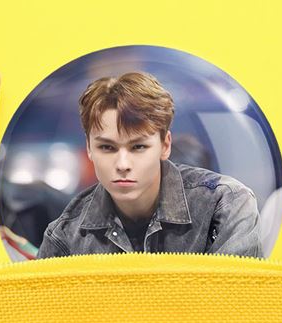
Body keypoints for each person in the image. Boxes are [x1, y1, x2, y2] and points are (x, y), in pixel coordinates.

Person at [36, 72, 261, 258]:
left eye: (138, 147)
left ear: (165, 145)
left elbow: (235, 298)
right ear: (89, 148)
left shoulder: (225, 206)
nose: (122, 164)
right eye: (107, 147)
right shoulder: (64, 236)